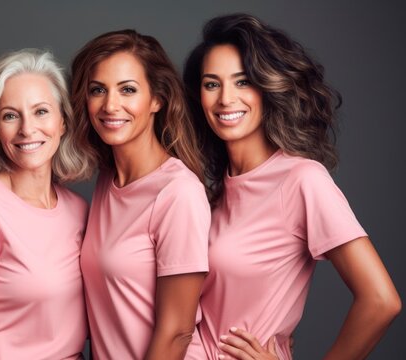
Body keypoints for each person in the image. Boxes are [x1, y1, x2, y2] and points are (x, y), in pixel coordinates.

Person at [183, 13, 401, 359]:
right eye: (212, 84)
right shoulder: (209, 189)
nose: (225, 98)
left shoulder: (302, 179)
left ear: (267, 87)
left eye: (243, 82)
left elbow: (381, 301)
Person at [0, 49, 95, 360]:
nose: (27, 129)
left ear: (63, 122)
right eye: (10, 115)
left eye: (41, 111)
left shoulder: (78, 210)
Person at [71, 30, 211, 359]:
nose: (110, 105)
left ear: (157, 99)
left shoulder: (178, 192)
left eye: (128, 90)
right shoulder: (108, 181)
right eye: (97, 90)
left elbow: (177, 331)